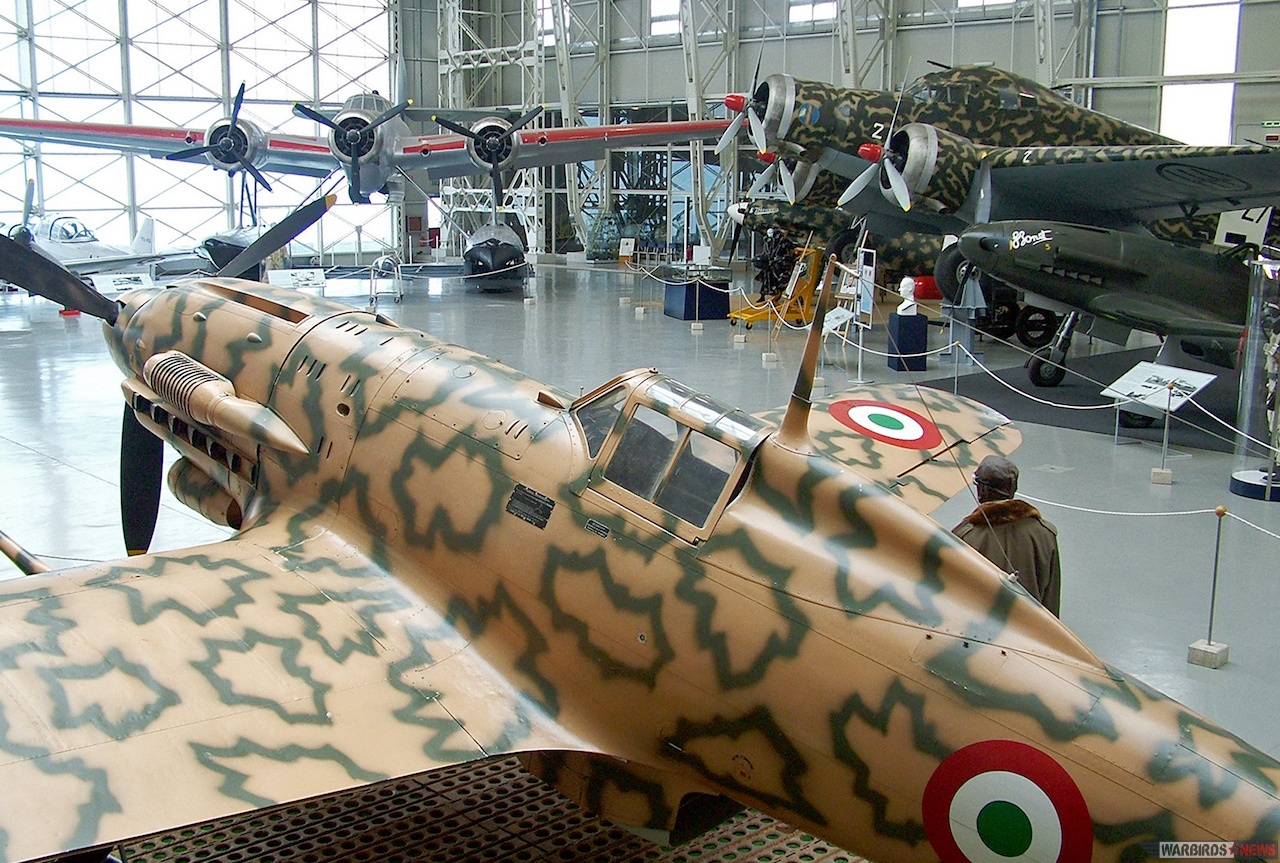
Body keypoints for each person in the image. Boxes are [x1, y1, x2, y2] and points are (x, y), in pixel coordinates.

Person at [953, 455, 1061, 616]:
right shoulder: (1045, 533)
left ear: (982, 491)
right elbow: (1051, 599)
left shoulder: (965, 537)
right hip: (1028, 626)